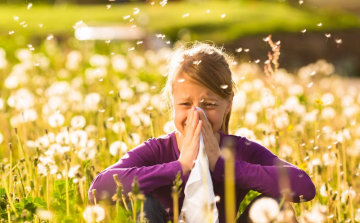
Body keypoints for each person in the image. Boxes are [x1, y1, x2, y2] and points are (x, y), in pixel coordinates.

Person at [88, 42, 316, 223]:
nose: (197, 115)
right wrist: (180, 167)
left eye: (209, 105)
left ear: (228, 104)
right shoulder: (157, 150)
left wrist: (225, 166)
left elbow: (304, 187)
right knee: (142, 203)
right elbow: (98, 190)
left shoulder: (239, 150)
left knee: (279, 205)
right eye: (186, 104)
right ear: (172, 103)